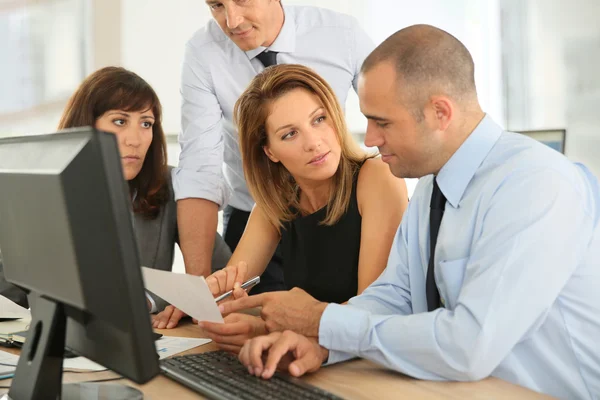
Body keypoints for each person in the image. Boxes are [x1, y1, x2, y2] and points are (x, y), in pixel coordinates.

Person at [221, 25, 600, 399]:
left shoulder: (535, 184)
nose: (368, 139)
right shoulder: (431, 187)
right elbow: (392, 298)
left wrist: (321, 321)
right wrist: (321, 345)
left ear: (440, 112)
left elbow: (470, 345)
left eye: (382, 122)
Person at [168, 0, 375, 327]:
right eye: (216, 5)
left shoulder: (341, 34)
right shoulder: (203, 52)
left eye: (319, 119)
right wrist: (199, 295)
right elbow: (199, 168)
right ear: (269, 151)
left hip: (346, 212)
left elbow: (391, 111)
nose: (232, 20)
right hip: (259, 212)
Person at [193, 64, 407, 353]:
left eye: (319, 119)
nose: (314, 143)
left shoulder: (378, 176)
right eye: (290, 134)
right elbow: (232, 298)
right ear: (269, 151)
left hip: (368, 362)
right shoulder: (275, 203)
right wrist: (214, 298)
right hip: (310, 358)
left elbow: (371, 310)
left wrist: (266, 326)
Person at [0, 67, 232, 316]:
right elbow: (9, 295)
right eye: (120, 121)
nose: (135, 139)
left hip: (147, 341)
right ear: (86, 124)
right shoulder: (35, 193)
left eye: (146, 123)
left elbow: (222, 275)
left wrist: (149, 300)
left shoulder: (171, 185)